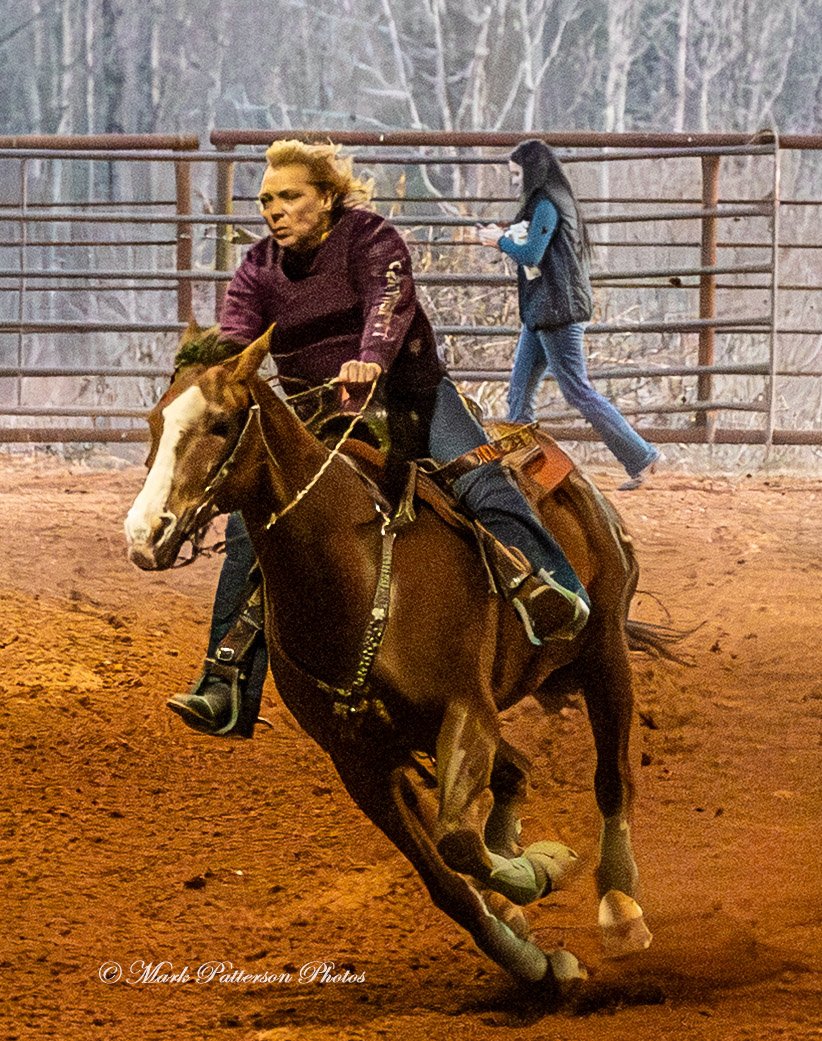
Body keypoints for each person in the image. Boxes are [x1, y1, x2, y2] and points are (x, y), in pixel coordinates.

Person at [168, 139, 590, 737]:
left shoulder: (371, 239)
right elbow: (237, 336)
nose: (274, 210)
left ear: (327, 198)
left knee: (478, 476)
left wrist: (369, 359)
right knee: (249, 528)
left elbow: (387, 306)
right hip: (317, 419)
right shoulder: (258, 268)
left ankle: (553, 588)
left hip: (411, 397)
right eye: (266, 201)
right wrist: (203, 370)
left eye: (289, 196)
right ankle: (226, 681)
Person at [478, 139, 660, 491]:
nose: (514, 183)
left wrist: (498, 241)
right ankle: (519, 466)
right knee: (519, 393)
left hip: (557, 312)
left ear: (532, 172)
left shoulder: (547, 205)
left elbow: (531, 254)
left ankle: (642, 456)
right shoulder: (551, 203)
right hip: (542, 311)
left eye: (517, 175)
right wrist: (505, 237)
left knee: (577, 390)